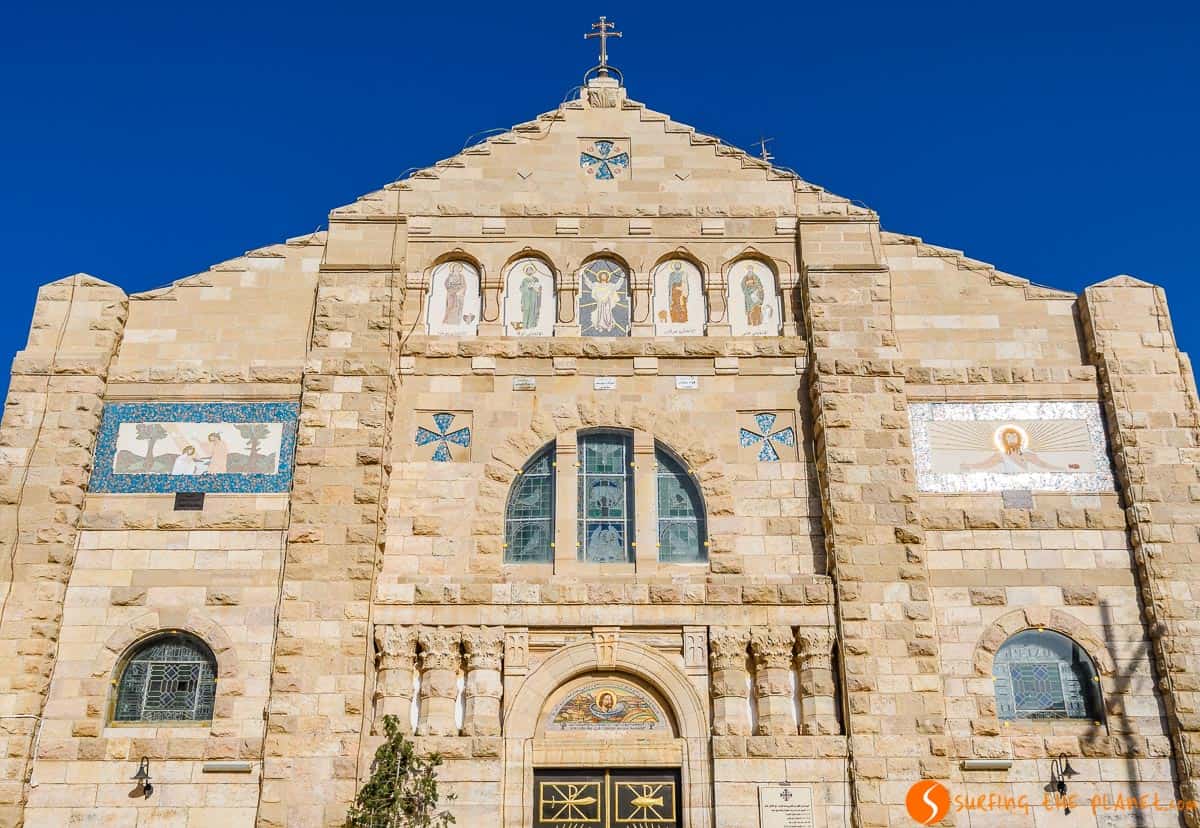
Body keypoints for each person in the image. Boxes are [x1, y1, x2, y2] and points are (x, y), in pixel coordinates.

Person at [584, 268, 625, 333]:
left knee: (607, 313)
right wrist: (584, 276)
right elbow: (590, 284)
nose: (603, 276)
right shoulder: (596, 285)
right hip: (600, 302)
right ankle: (600, 325)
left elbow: (617, 286)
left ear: (607, 277)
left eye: (605, 275)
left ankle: (608, 325)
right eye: (602, 275)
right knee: (600, 313)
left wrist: (622, 277)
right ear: (599, 277)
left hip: (607, 302)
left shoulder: (610, 285)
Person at [519, 263, 543, 331]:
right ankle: (525, 326)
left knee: (533, 310)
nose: (529, 271)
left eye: (530, 269)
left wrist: (536, 288)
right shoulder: (524, 280)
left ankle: (532, 325)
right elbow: (522, 289)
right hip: (526, 297)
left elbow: (539, 288)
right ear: (526, 271)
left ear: (533, 271)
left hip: (534, 297)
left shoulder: (536, 279)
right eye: (528, 270)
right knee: (526, 309)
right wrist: (528, 287)